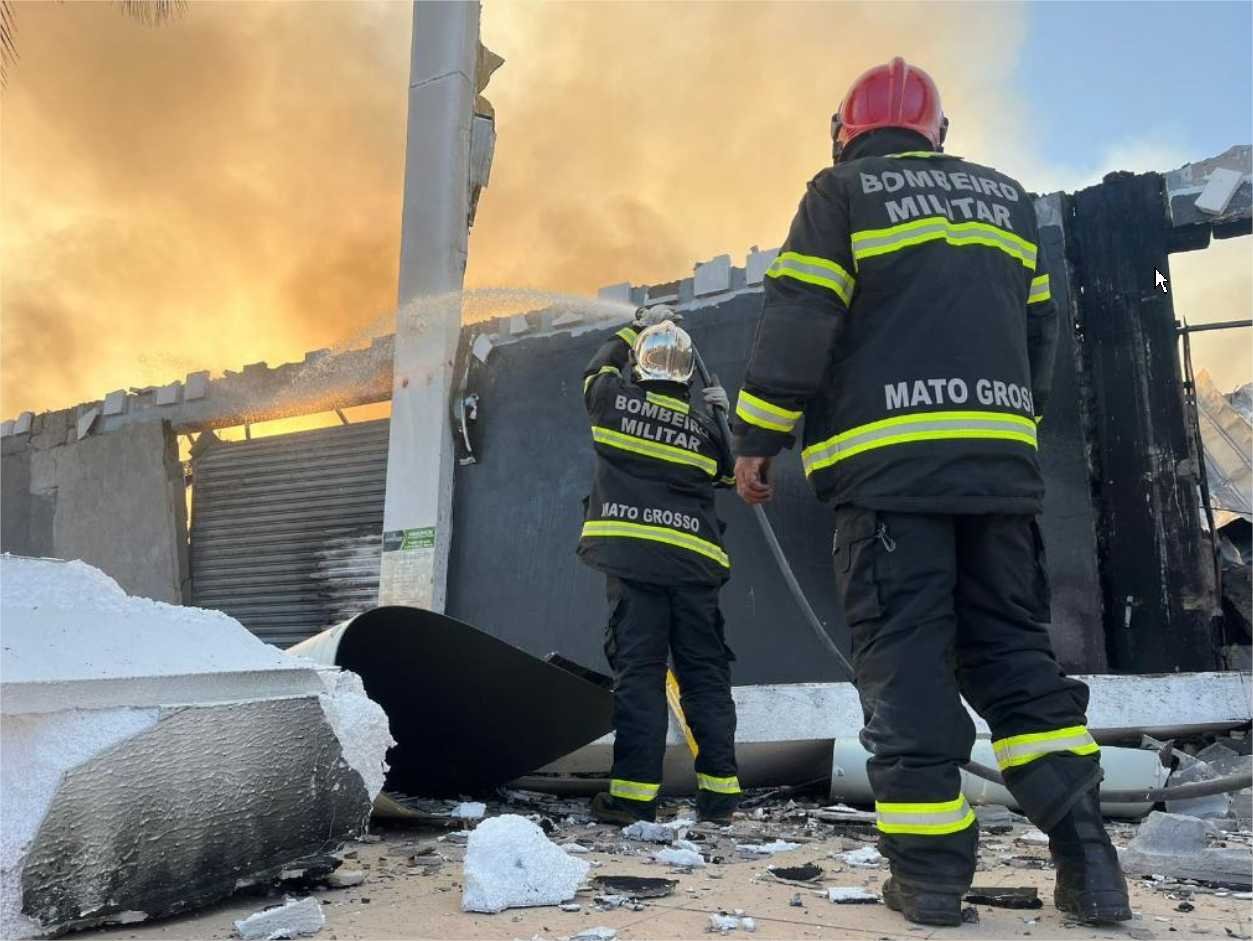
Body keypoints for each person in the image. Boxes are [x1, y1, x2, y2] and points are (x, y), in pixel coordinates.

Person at [731, 57, 1131, 927]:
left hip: (887, 484)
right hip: (996, 480)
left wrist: (756, 438)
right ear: (937, 133)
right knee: (1019, 664)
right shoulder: (1007, 200)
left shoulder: (840, 195)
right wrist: (995, 427)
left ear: (844, 132)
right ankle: (1090, 862)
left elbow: (799, 319)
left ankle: (930, 881)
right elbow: (1039, 343)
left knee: (906, 670)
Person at [578, 305, 742, 825]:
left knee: (641, 679)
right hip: (695, 571)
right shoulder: (702, 429)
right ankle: (719, 798)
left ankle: (633, 800)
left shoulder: (614, 402)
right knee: (706, 679)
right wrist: (724, 416)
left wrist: (636, 323)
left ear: (639, 366)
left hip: (636, 567)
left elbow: (595, 371)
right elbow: (729, 476)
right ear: (690, 376)